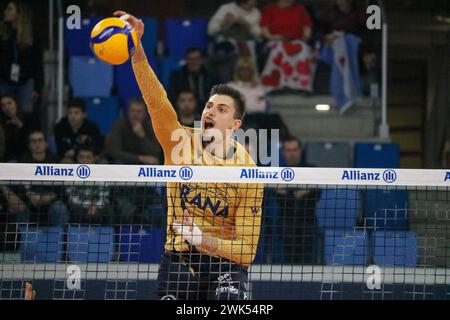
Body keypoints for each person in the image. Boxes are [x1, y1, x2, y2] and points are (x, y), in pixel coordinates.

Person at [116, 10, 263, 300]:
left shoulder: (248, 169)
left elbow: (247, 251)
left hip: (226, 262)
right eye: (209, 105)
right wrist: (136, 48)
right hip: (180, 256)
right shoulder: (179, 141)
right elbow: (156, 101)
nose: (210, 111)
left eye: (221, 110)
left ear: (235, 125)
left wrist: (204, 239)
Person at [276, 136, 320, 264]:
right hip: (285, 224)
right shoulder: (277, 172)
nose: (292, 154)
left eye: (295, 150)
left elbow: (316, 193)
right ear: (283, 152)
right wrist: (300, 192)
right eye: (288, 150)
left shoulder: (313, 170)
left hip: (308, 223)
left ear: (300, 151)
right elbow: (278, 195)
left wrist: (288, 192)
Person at [0, 1, 43, 114]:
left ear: (19, 13)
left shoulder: (32, 35)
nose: (6, 12)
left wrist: (38, 87)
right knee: (4, 112)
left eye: (10, 9)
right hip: (5, 80)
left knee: (25, 113)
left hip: (25, 80)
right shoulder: (3, 33)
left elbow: (37, 62)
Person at [208, 0, 262, 82]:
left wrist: (247, 24)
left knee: (248, 47)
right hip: (227, 42)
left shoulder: (255, 12)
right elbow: (210, 30)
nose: (253, 4)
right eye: (251, 2)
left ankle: (252, 82)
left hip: (248, 42)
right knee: (226, 51)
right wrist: (224, 22)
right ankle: (229, 84)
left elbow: (259, 34)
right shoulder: (226, 8)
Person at [104, 97, 162, 165]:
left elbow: (156, 152)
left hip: (144, 166)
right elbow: (114, 151)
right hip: (124, 163)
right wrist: (140, 158)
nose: (135, 115)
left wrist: (142, 136)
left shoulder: (152, 126)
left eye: (139, 111)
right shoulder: (119, 125)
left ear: (146, 113)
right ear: (128, 112)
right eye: (132, 111)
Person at [65, 146, 112, 224]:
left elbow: (105, 196)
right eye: (82, 157)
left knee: (109, 210)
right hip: (79, 207)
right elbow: (72, 197)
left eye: (88, 157)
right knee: (74, 209)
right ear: (77, 159)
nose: (85, 160)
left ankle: (109, 235)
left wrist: (95, 206)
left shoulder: (102, 173)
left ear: (94, 159)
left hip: (98, 207)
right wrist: (89, 206)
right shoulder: (70, 174)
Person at [54, 98, 102, 163]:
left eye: (76, 113)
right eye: (70, 113)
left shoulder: (92, 128)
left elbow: (97, 148)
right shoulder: (60, 128)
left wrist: (75, 151)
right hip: (69, 159)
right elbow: (60, 151)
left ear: (84, 114)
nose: (73, 116)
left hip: (89, 158)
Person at [0, 92, 34, 161]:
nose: (6, 107)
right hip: (7, 158)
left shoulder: (30, 118)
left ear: (16, 103)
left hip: (28, 156)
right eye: (3, 105)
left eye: (9, 103)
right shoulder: (2, 122)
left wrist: (20, 126)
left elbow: (33, 140)